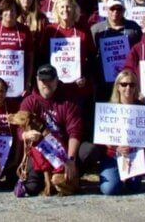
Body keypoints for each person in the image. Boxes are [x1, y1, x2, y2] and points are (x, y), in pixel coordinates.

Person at [18, 64, 98, 196]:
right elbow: (19, 129)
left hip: (64, 151)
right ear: (37, 80)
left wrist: (70, 159)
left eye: (49, 80)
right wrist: (26, 134)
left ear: (56, 80)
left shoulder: (69, 101)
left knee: (89, 151)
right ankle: (53, 180)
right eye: (42, 80)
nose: (46, 84)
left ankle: (71, 175)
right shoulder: (29, 102)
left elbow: (75, 131)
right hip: (40, 153)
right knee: (31, 187)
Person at [39, 0, 95, 101]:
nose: (65, 10)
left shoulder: (83, 31)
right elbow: (43, 57)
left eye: (69, 7)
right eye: (62, 7)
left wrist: (85, 77)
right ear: (56, 10)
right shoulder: (50, 30)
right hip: (56, 87)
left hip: (78, 87)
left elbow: (92, 58)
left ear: (74, 9)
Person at [99, 70, 145, 195]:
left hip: (135, 154)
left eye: (132, 84)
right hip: (113, 155)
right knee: (109, 189)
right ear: (117, 87)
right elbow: (103, 137)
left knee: (134, 188)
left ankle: (130, 178)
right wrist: (117, 148)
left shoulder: (143, 108)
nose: (128, 88)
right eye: (124, 84)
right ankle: (115, 176)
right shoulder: (108, 108)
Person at [0, 0, 35, 98]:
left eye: (13, 10)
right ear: (1, 13)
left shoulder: (25, 30)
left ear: (17, 13)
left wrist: (27, 83)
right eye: (6, 10)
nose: (9, 13)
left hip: (19, 85)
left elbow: (30, 59)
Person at [90, 0, 143, 100]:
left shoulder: (133, 28)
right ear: (106, 10)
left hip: (127, 80)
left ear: (124, 10)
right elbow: (92, 54)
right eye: (112, 9)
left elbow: (140, 52)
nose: (115, 12)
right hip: (103, 81)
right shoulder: (96, 29)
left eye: (119, 9)